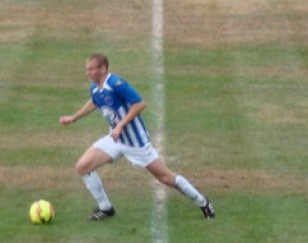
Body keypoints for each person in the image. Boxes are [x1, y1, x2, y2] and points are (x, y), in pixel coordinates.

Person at [59, 53, 215, 220]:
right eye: (87, 69)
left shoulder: (117, 84)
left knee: (165, 177)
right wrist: (74, 117)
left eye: (90, 69)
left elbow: (140, 104)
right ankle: (106, 208)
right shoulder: (95, 87)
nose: (87, 73)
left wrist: (120, 126)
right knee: (83, 167)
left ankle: (202, 201)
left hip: (136, 143)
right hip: (115, 140)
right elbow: (95, 101)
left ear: (102, 69)